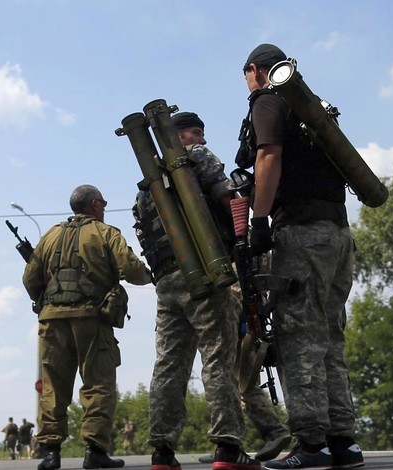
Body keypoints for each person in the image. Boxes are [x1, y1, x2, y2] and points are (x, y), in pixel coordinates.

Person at [240, 43, 364, 470]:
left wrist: (258, 220)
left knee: (298, 336)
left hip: (302, 234)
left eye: (246, 78)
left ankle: (311, 444)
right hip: (339, 235)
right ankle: (343, 442)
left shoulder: (269, 99)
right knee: (330, 336)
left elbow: (267, 154)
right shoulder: (312, 110)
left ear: (254, 70)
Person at [133, 111, 260, 470]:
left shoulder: (148, 183)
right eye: (193, 132)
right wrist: (243, 240)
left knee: (168, 366)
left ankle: (161, 451)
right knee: (218, 358)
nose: (200, 138)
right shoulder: (198, 160)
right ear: (175, 136)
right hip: (205, 273)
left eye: (202, 132)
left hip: (168, 283)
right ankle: (228, 448)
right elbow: (229, 198)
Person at [23, 184, 153, 470]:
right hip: (91, 320)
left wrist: (48, 301)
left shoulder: (50, 236)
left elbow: (30, 279)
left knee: (53, 387)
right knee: (97, 383)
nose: (105, 209)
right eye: (103, 203)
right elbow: (131, 269)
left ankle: (51, 453)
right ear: (95, 205)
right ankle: (95, 451)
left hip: (52, 320)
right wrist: (151, 275)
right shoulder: (106, 233)